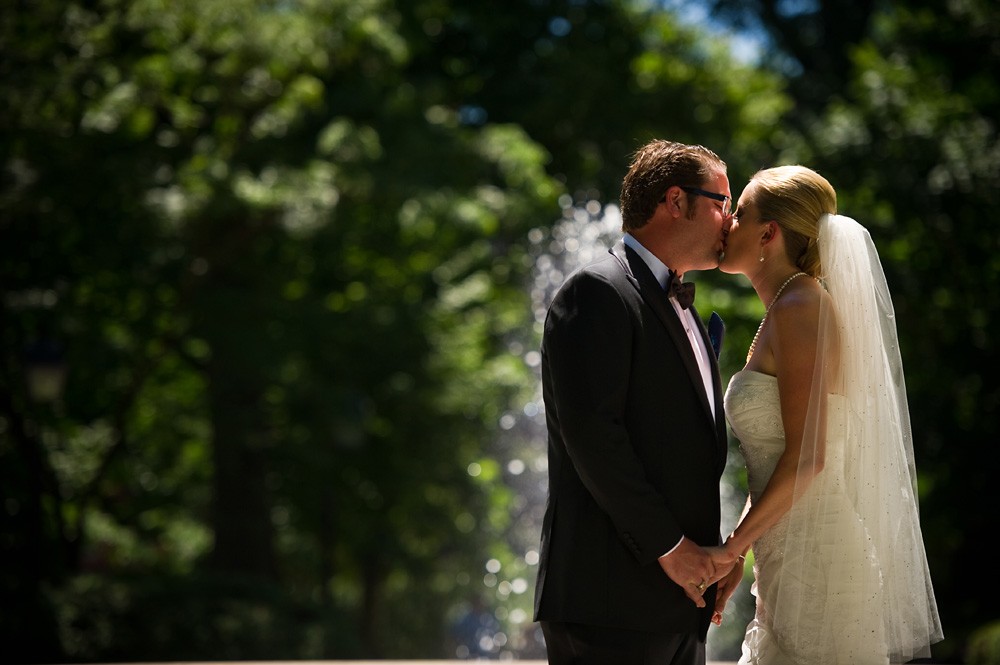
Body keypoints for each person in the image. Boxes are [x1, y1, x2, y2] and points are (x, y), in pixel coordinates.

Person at [713, 165, 944, 663]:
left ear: (768, 233)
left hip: (819, 564)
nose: (727, 221)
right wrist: (745, 551)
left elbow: (808, 458)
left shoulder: (802, 306)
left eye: (741, 212)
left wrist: (730, 549)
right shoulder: (786, 307)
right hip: (787, 561)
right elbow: (780, 463)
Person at [532, 139, 736, 665]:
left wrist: (717, 557)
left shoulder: (684, 306)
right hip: (609, 607)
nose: (730, 220)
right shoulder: (596, 292)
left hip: (680, 607)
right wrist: (675, 550)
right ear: (675, 201)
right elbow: (595, 438)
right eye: (720, 202)